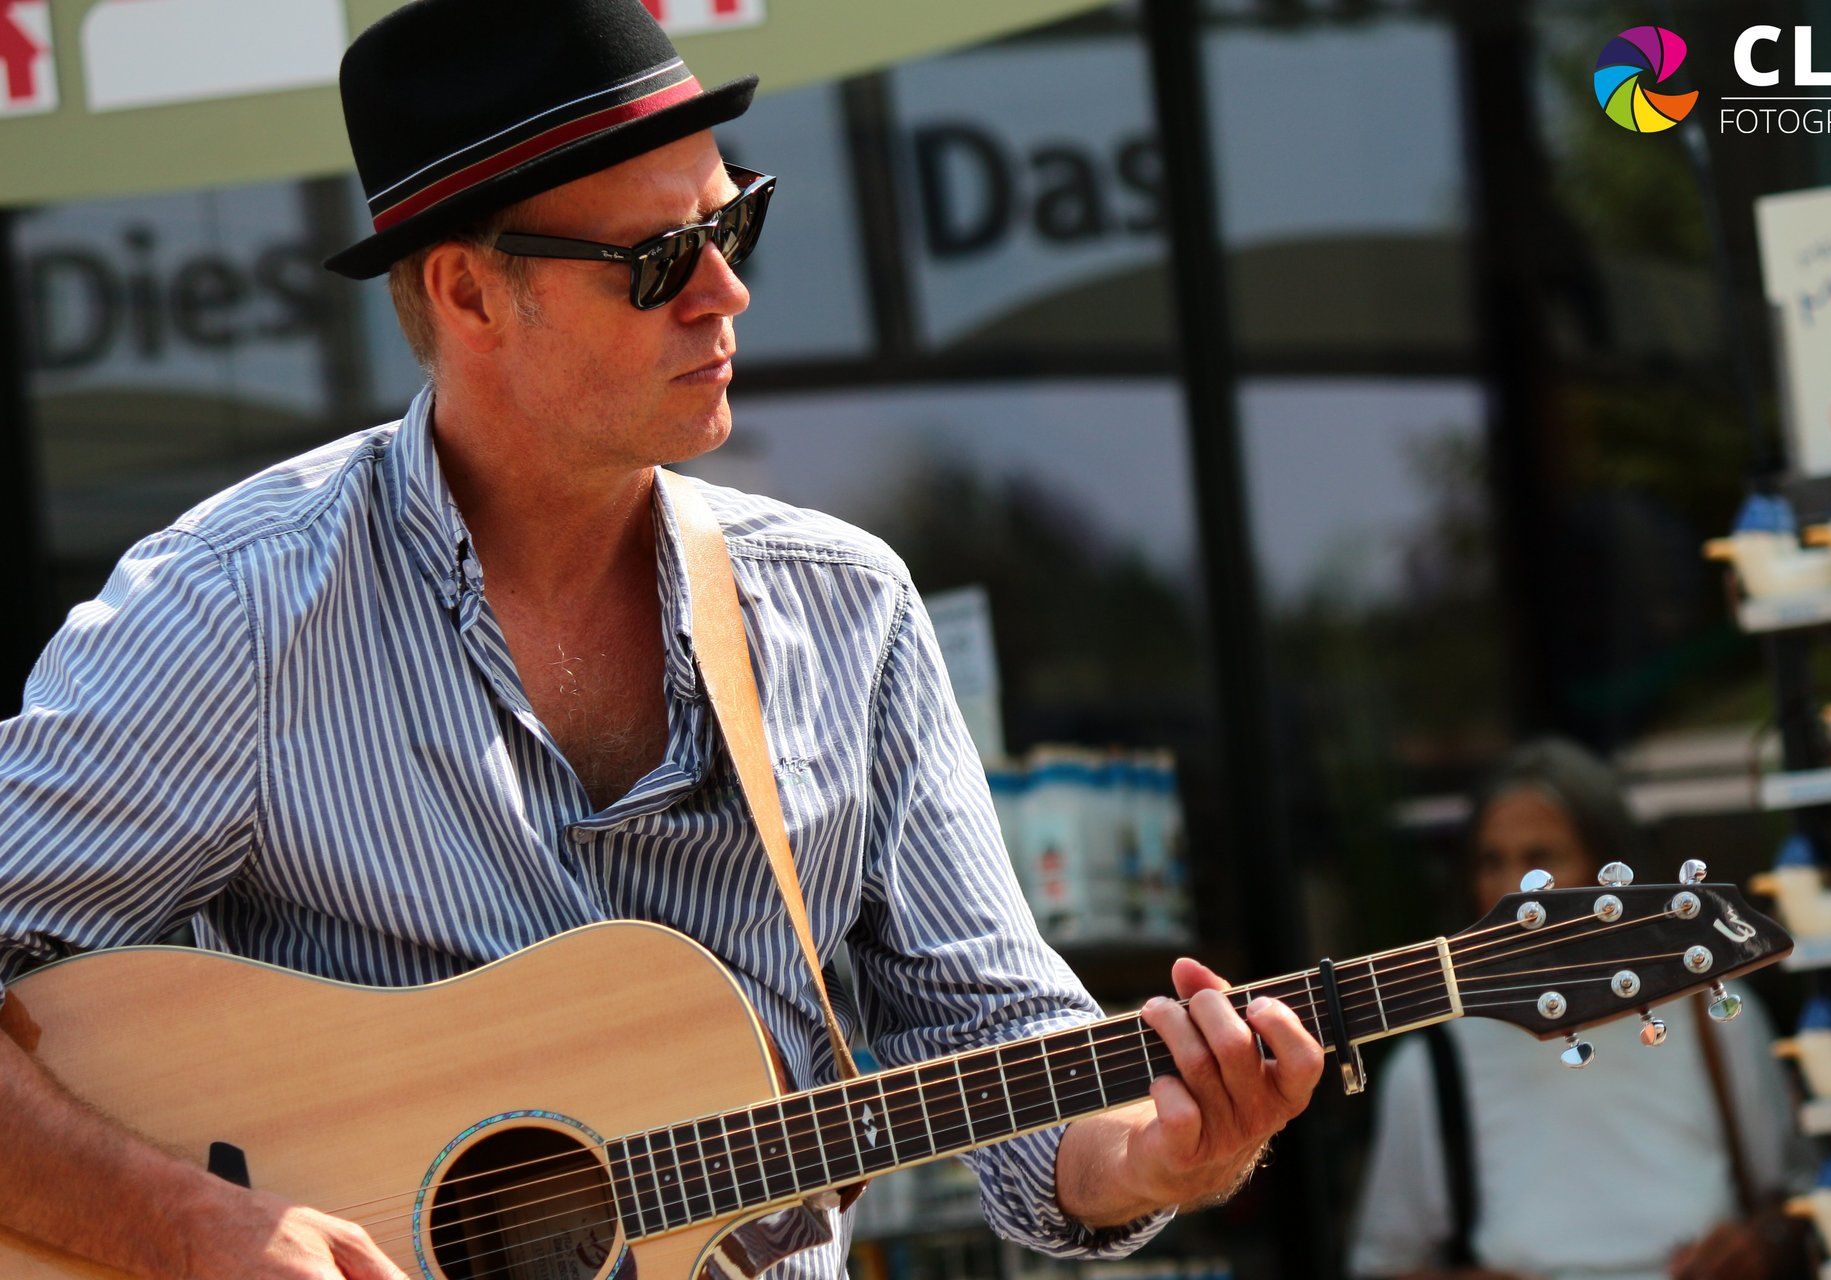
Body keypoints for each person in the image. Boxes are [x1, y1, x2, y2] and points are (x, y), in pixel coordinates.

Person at [0, 3, 1326, 1278]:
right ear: (467, 292)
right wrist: (192, 1230)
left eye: (730, 218)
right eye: (657, 257)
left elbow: (1005, 1049)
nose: (728, 291)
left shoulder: (841, 611)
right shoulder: (236, 612)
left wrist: (1160, 1157)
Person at [1347, 739, 1808, 1280]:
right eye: (1491, 862)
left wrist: (1760, 1246)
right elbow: (1380, 1266)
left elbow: (1801, 1199)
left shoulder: (1715, 1013)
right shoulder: (1433, 1062)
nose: (1511, 892)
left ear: (1609, 873)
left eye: (1541, 861)